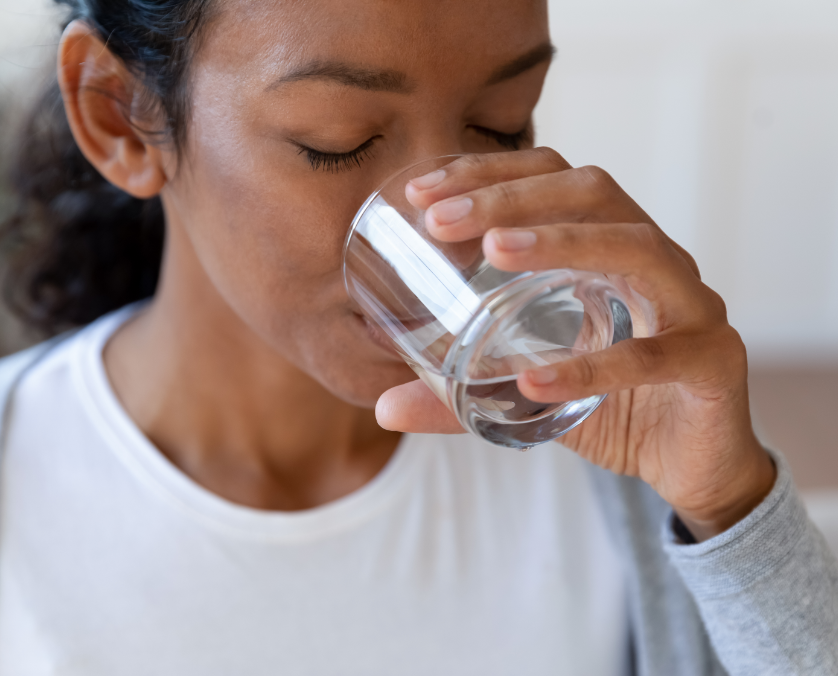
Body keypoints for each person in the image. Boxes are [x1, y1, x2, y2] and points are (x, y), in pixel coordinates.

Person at [0, 1, 835, 674]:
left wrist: (731, 513)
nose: (449, 229)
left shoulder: (598, 457)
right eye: (338, 142)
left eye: (502, 124)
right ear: (118, 115)